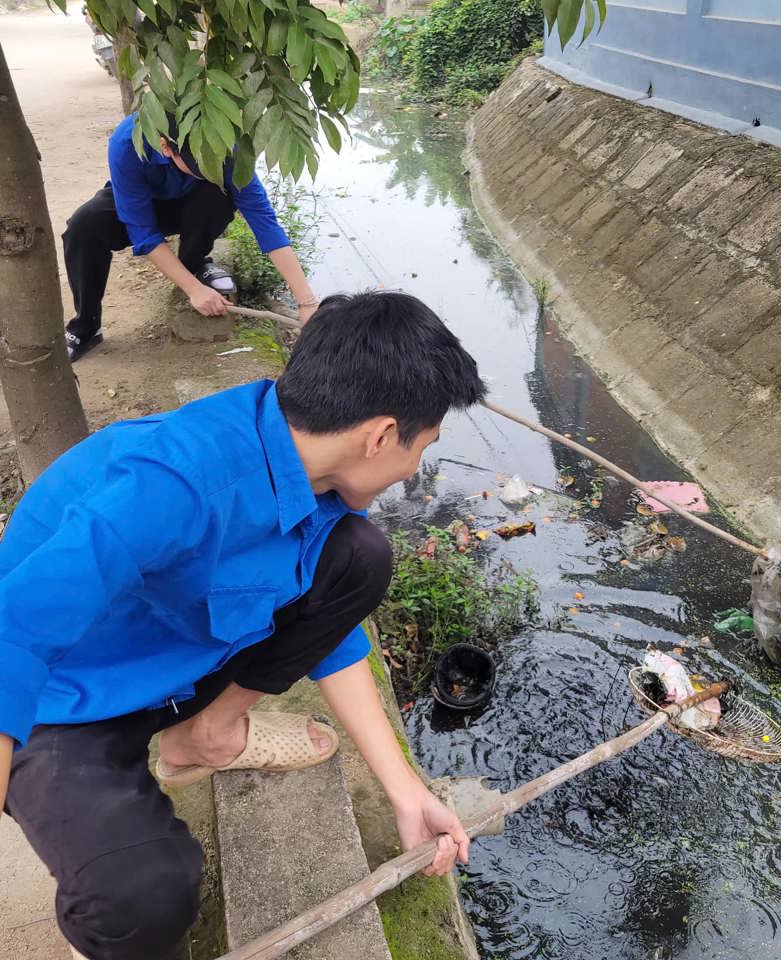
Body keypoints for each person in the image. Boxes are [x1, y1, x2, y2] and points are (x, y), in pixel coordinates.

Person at [0, 291, 484, 960]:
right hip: (65, 698)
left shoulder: (304, 467)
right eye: (421, 448)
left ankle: (205, 734)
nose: (413, 471)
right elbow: (10, 638)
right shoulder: (174, 481)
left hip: (176, 663)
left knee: (359, 558)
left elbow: (332, 635)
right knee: (145, 897)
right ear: (378, 435)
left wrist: (406, 792)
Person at [61, 112, 318, 361]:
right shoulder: (127, 142)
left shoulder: (230, 147)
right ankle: (86, 326)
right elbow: (145, 235)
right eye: (200, 166)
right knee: (84, 225)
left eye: (215, 164)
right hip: (145, 202)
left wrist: (306, 302)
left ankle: (195, 264)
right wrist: (194, 291)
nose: (211, 169)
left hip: (196, 200)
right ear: (166, 147)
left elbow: (265, 223)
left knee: (216, 195)